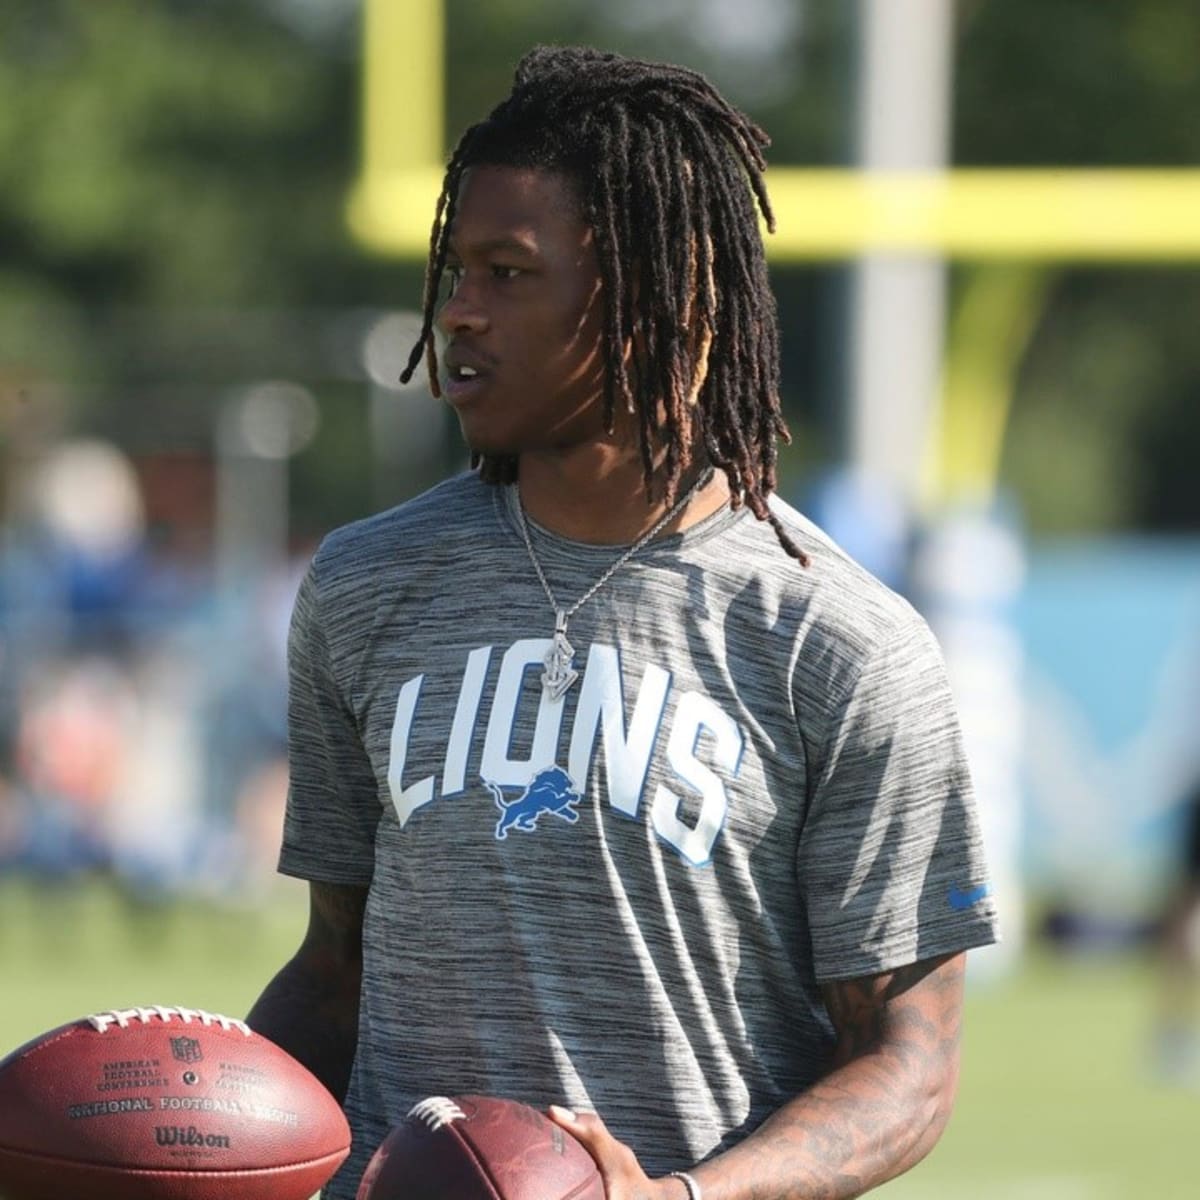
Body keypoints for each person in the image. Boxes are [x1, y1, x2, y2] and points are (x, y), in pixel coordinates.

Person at [249, 45, 999, 1200]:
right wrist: (198, 1126)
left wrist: (689, 1199)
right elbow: (334, 968)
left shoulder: (839, 643)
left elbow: (910, 1063)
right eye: (455, 269)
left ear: (659, 297)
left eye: (508, 272)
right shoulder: (364, 584)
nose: (458, 312)